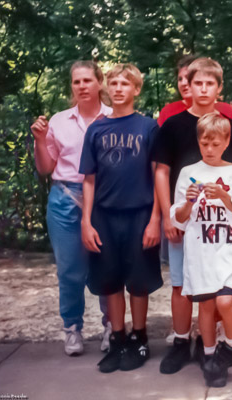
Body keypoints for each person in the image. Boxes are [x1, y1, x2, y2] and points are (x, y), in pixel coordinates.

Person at [153, 57, 232, 374]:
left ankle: (218, 346)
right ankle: (183, 343)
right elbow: (162, 171)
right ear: (187, 86)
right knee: (183, 285)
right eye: (197, 83)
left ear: (219, 88)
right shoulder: (173, 124)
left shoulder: (227, 125)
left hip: (221, 225)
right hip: (188, 219)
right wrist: (168, 217)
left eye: (210, 83)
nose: (204, 88)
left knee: (217, 291)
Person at [79, 63, 162, 373]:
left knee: (138, 282)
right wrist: (86, 221)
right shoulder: (96, 129)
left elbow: (158, 176)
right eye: (112, 83)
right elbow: (89, 178)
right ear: (106, 88)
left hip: (140, 214)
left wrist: (156, 219)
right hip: (104, 215)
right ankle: (118, 339)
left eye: (124, 84)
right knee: (110, 281)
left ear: (136, 90)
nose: (117, 88)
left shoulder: (148, 127)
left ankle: (140, 339)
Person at [30, 60, 111, 356]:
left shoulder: (114, 117)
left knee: (107, 265)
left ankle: (111, 327)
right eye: (76, 82)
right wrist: (40, 141)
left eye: (87, 80)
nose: (82, 86)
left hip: (105, 198)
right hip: (65, 197)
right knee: (70, 270)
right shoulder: (59, 120)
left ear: (99, 83)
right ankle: (73, 329)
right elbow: (45, 167)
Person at [170, 113, 232, 388]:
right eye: (205, 143)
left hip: (226, 250)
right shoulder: (187, 173)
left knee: (224, 302)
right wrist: (189, 203)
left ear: (227, 141)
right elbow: (178, 217)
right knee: (205, 305)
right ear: (198, 141)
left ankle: (231, 345)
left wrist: (225, 196)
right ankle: (208, 355)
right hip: (199, 253)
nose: (209, 149)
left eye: (215, 144)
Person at [157, 54, 232, 141]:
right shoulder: (168, 112)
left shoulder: (227, 112)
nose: (184, 83)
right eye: (180, 79)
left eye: (187, 78)